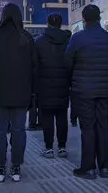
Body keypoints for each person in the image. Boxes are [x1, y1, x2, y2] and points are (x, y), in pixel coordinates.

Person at [0, 3, 37, 183]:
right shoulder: (27, 38)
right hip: (21, 94)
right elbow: (35, 68)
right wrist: (32, 91)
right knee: (19, 130)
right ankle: (16, 167)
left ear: (3, 16)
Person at [65, 5, 108, 180]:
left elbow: (68, 63)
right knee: (103, 126)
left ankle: (88, 168)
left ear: (84, 20)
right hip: (104, 90)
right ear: (99, 18)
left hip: (83, 90)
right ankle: (105, 167)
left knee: (87, 128)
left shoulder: (78, 38)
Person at [35, 14, 71, 159]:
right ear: (61, 24)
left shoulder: (39, 41)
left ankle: (49, 148)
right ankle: (62, 147)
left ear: (47, 23)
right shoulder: (68, 41)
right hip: (63, 84)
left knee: (47, 117)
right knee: (62, 117)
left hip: (45, 86)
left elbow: (35, 65)